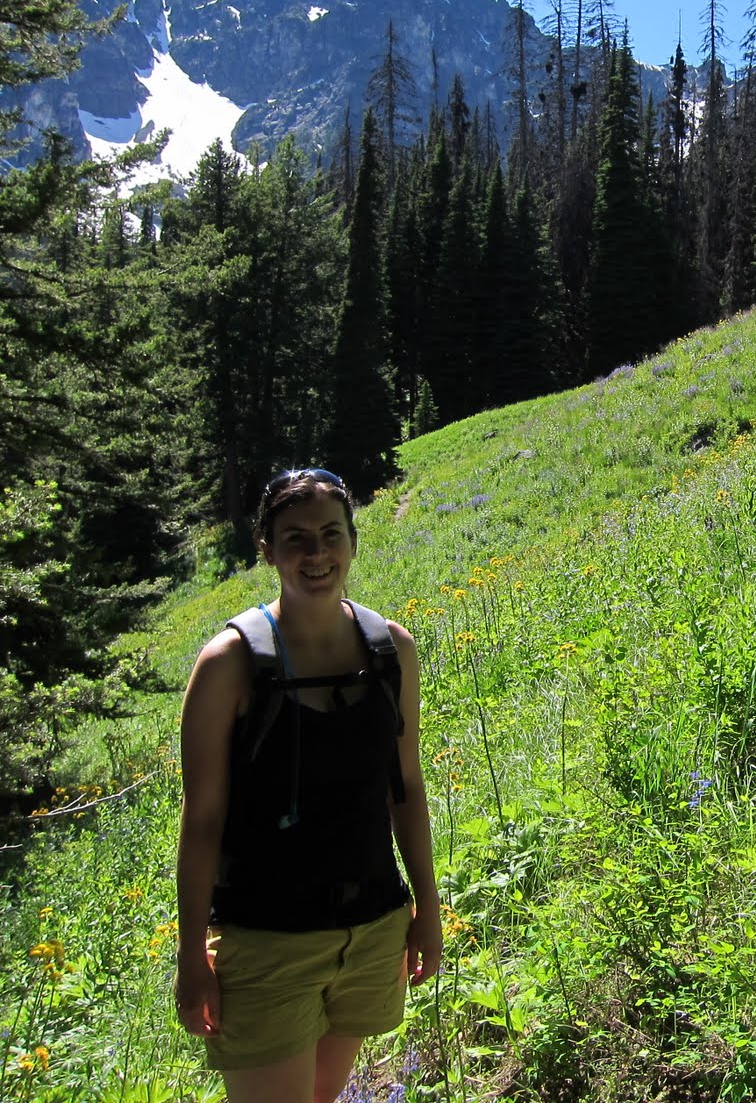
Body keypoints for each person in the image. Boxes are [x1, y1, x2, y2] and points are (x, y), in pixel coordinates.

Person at [174, 468, 442, 1101]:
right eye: (295, 538)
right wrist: (191, 954)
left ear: (352, 540)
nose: (315, 554)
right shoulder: (228, 664)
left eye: (330, 534)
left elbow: (406, 789)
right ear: (266, 550)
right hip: (266, 942)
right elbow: (202, 820)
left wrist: (425, 909)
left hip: (373, 928)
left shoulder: (390, 651)